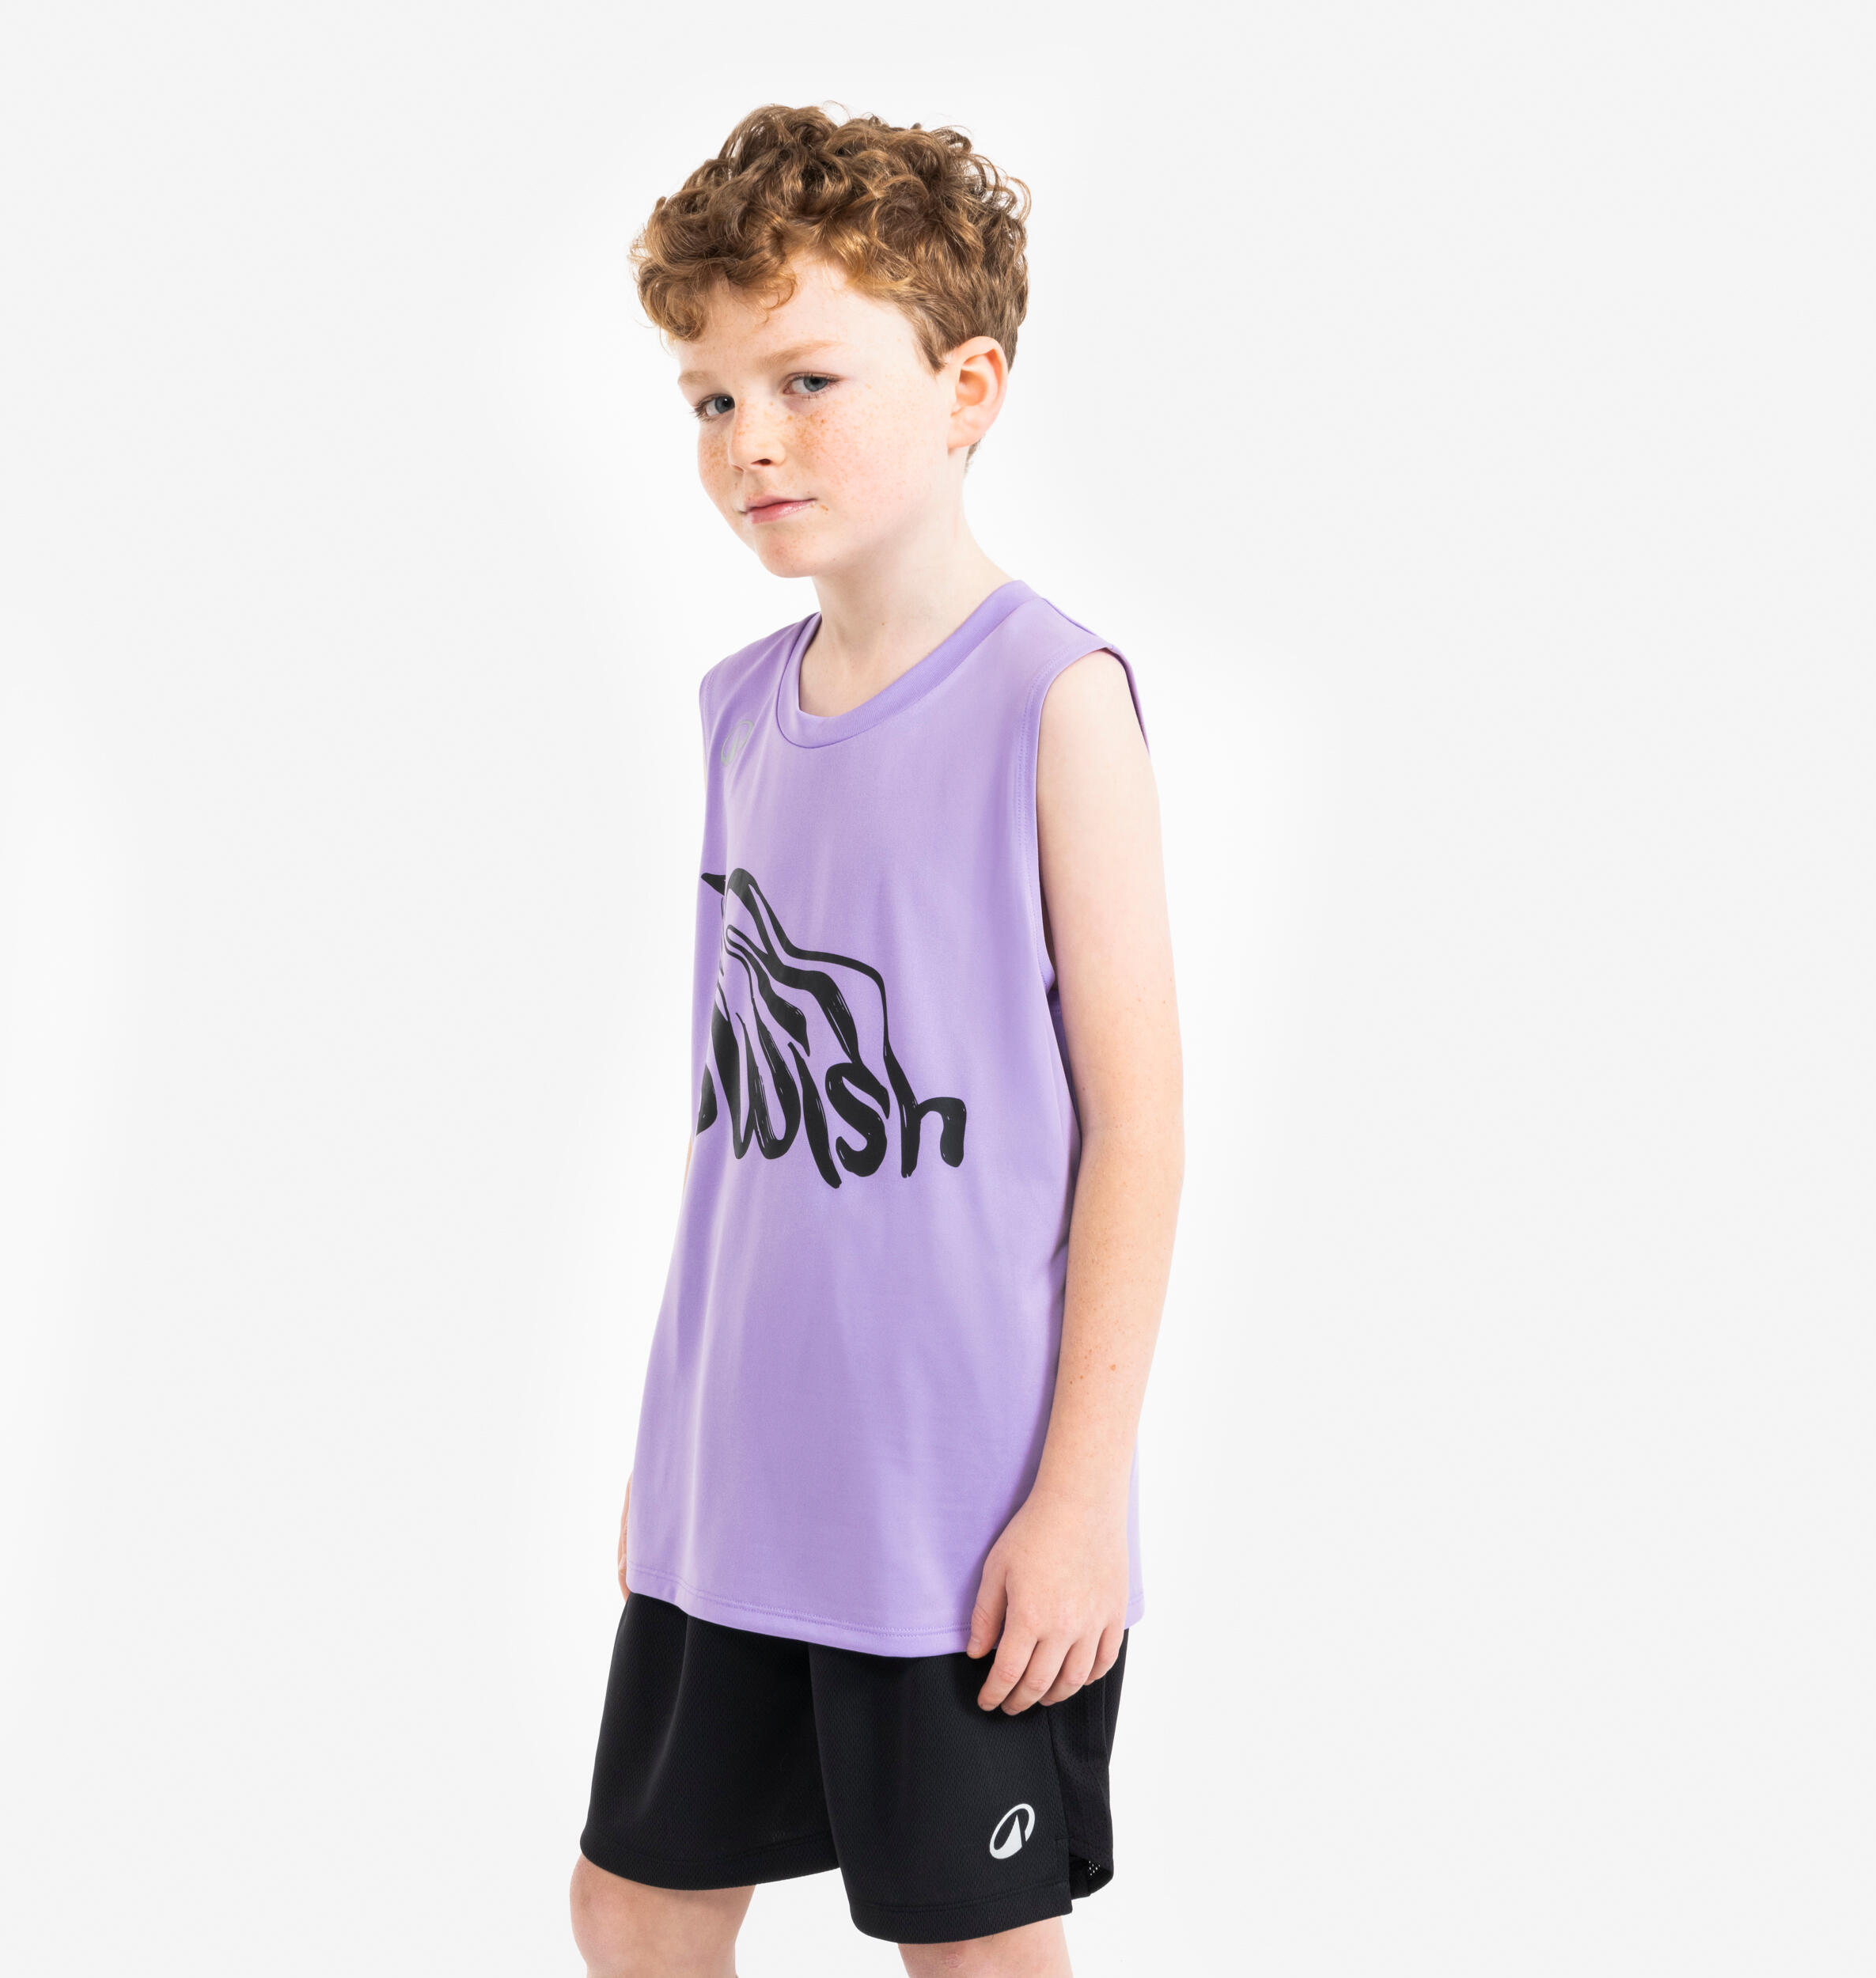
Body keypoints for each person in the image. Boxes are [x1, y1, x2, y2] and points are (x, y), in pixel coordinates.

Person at [570, 104, 1184, 1978]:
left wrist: (1075, 1500)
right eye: (707, 397)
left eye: (804, 381)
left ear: (966, 386)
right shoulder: (735, 713)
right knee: (631, 1902)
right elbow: (738, 1139)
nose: (744, 440)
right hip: (738, 1476)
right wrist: (671, 1454)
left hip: (954, 1500)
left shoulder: (1050, 699)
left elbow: (1137, 1129)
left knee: (970, 1946)